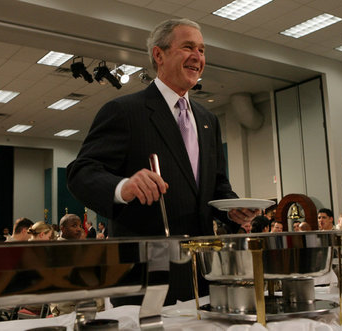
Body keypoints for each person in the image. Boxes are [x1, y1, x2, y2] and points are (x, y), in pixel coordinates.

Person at [66, 18, 254, 239]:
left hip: (201, 258)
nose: (198, 56)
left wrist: (231, 209)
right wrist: (123, 187)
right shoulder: (124, 111)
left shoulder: (208, 120)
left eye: (202, 50)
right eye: (188, 47)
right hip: (149, 261)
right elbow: (81, 173)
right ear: (159, 55)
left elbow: (217, 184)